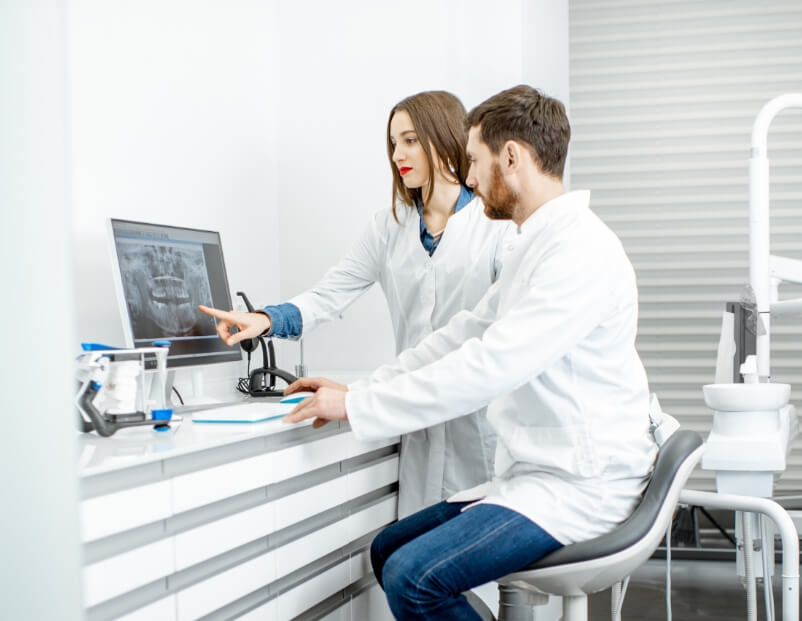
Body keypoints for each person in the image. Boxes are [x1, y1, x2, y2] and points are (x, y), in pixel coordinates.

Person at [281, 85, 658, 620]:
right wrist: (361, 391)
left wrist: (358, 409)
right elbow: (461, 335)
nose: (471, 177)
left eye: (476, 162)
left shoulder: (579, 252)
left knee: (413, 580)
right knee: (387, 550)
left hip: (581, 486)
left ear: (512, 157)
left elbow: (490, 363)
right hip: (537, 474)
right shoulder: (537, 242)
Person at [199, 90, 512, 518]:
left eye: (410, 140)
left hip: (480, 422)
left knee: (485, 574)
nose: (397, 154)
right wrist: (264, 320)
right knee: (416, 555)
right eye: (393, 143)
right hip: (415, 419)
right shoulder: (389, 227)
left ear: (443, 138)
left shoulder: (494, 226)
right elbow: (330, 294)